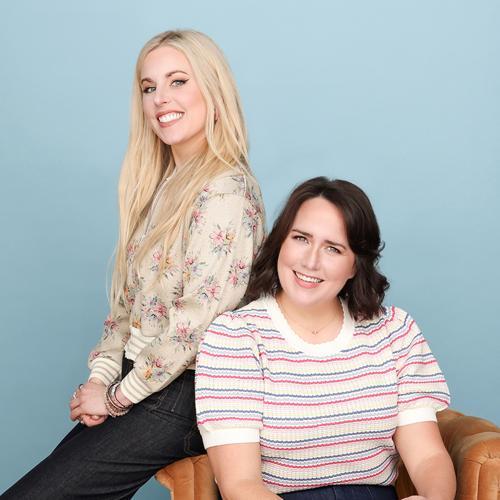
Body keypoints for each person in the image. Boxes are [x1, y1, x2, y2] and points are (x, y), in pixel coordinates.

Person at [3, 29, 265, 499]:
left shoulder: (225, 191)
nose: (160, 98)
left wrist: (115, 398)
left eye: (178, 81)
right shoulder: (161, 186)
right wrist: (101, 378)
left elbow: (195, 329)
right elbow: (127, 307)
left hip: (184, 394)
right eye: (149, 87)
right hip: (143, 380)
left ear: (213, 90)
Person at [195, 177, 456, 499]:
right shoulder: (234, 337)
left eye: (333, 248)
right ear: (280, 242)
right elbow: (240, 484)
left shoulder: (394, 331)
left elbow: (428, 456)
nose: (310, 261)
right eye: (301, 238)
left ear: (355, 265)